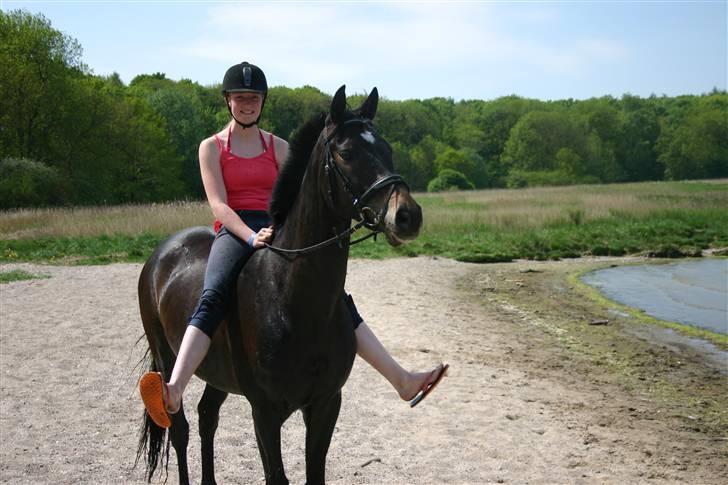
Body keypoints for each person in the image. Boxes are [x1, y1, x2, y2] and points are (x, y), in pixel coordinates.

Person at [139, 62, 447, 428]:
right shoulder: (212, 148)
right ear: (228, 101)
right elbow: (219, 204)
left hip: (277, 228)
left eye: (253, 98)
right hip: (234, 231)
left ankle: (402, 379)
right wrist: (251, 236)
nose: (247, 104)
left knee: (336, 299)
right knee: (214, 293)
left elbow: (307, 192)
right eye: (240, 98)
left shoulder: (278, 147)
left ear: (262, 101)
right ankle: (174, 388)